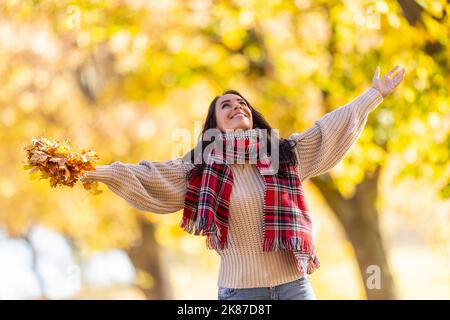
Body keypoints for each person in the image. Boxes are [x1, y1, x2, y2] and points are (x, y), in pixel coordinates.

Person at [81, 65, 406, 300]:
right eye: (227, 105)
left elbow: (328, 130)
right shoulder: (199, 168)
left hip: (295, 286)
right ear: (216, 124)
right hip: (240, 294)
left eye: (242, 104)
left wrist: (373, 94)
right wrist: (94, 170)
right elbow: (149, 175)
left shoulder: (284, 155)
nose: (237, 107)